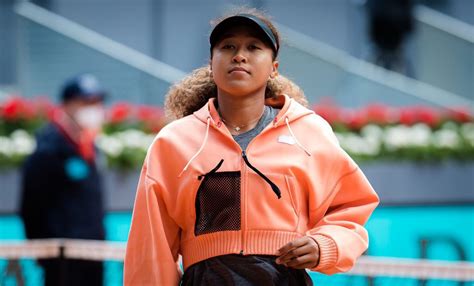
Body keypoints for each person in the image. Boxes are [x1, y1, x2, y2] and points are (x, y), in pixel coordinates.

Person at [124, 8, 379, 285]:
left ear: (274, 67)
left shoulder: (309, 132)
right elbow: (151, 247)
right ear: (211, 62)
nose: (239, 55)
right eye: (228, 46)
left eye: (253, 47)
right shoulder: (173, 142)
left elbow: (350, 208)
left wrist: (325, 244)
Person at [20, 74, 107, 286]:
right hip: (61, 257)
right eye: (86, 102)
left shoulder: (90, 145)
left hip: (93, 252)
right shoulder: (48, 147)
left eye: (96, 102)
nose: (93, 108)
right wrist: (43, 250)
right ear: (67, 105)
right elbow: (31, 205)